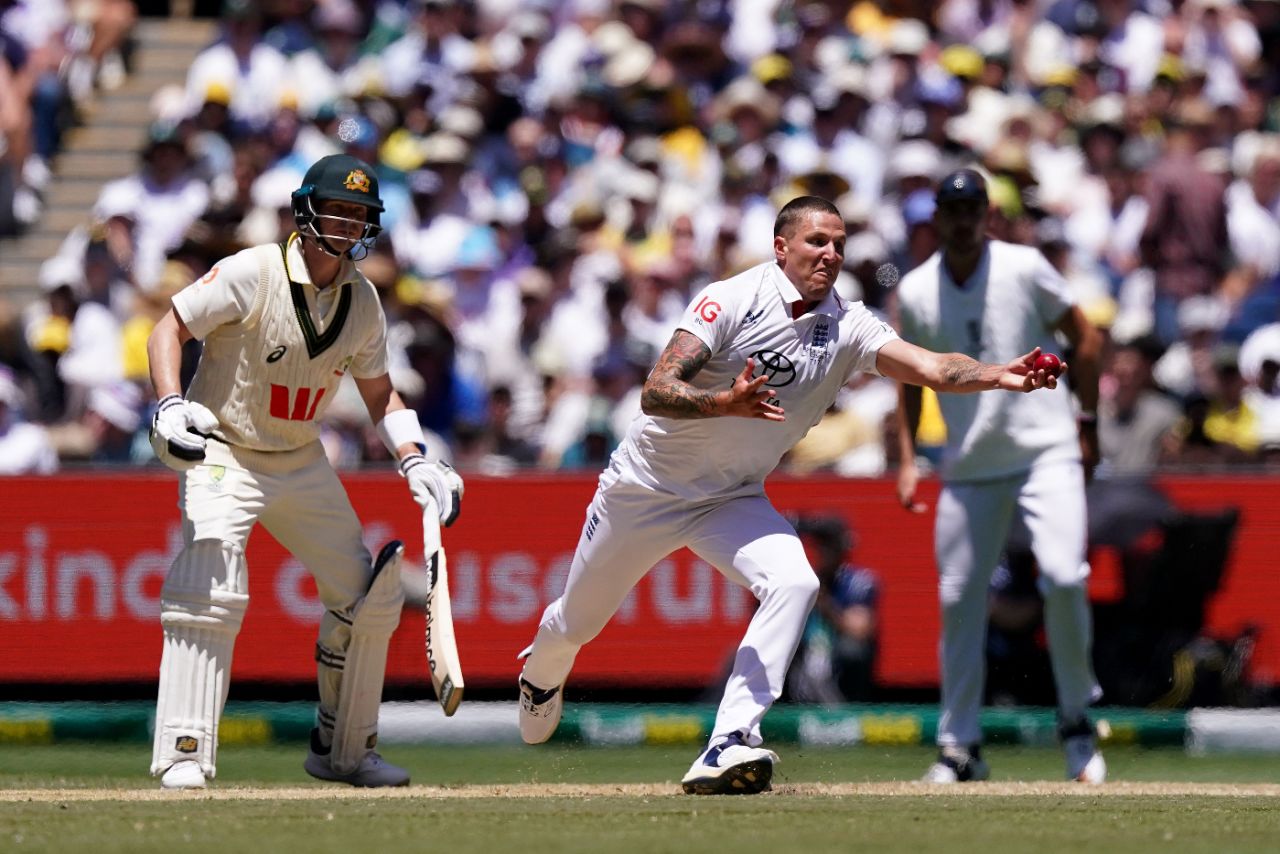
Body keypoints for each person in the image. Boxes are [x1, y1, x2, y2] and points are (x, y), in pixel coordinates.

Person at [516, 195, 1061, 796]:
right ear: (781, 247)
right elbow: (656, 390)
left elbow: (931, 367)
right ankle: (543, 672)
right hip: (645, 488)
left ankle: (729, 741)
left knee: (796, 582)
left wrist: (999, 373)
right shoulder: (732, 298)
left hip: (731, 496)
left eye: (839, 244)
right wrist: (724, 402)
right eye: (816, 241)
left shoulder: (849, 324)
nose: (831, 254)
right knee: (577, 624)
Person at [144, 154, 464, 790]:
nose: (347, 226)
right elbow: (168, 328)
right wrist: (170, 403)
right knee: (209, 581)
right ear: (306, 210)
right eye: (337, 210)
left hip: (299, 459)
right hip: (225, 452)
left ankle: (344, 750)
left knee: (366, 598)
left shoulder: (364, 301)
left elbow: (381, 395)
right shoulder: (253, 271)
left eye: (359, 215)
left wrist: (416, 457)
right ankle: (185, 749)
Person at [894, 169, 1107, 785]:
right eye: (951, 208)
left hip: (1047, 450)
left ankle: (1076, 722)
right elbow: (911, 377)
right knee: (959, 599)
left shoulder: (1024, 266)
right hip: (969, 464)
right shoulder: (914, 290)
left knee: (1065, 576)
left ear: (988, 213)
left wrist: (1086, 422)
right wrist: (910, 458)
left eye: (972, 208)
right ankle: (959, 746)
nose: (962, 219)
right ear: (937, 216)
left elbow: (1086, 339)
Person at [787, 514, 880, 703]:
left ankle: (845, 713)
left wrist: (824, 603)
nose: (823, 552)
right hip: (803, 660)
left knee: (852, 650)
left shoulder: (858, 582)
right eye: (819, 545)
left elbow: (859, 629)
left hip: (837, 663)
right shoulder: (802, 582)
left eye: (828, 545)